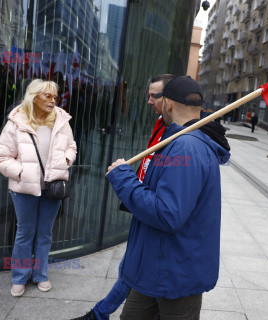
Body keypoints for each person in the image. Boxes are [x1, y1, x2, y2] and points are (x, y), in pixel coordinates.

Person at [106, 76, 230, 319]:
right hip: (154, 268)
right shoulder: (176, 139)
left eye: (159, 99)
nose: (154, 103)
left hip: (176, 276)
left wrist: (124, 179)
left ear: (169, 105)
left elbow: (167, 214)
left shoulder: (186, 146)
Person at [73, 74, 176, 320]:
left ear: (170, 99)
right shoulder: (161, 122)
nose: (149, 101)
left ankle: (99, 314)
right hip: (143, 204)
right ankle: (100, 313)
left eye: (155, 96)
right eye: (148, 95)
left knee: (130, 269)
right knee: (130, 268)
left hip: (153, 211)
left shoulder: (180, 136)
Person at [0, 79, 77, 297]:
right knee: (25, 232)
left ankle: (40, 274)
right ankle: (19, 276)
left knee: (45, 233)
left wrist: (66, 160)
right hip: (24, 189)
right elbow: (0, 157)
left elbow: (71, 147)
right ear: (33, 97)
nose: (52, 100)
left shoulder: (60, 120)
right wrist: (21, 172)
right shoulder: (17, 121)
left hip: (53, 188)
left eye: (55, 96)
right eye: (47, 96)